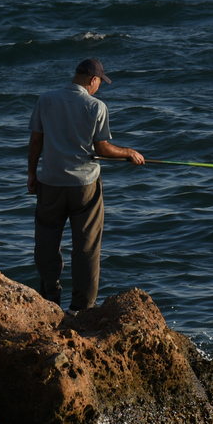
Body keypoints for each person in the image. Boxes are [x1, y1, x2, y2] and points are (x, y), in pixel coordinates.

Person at [27, 58, 144, 315]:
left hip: (50, 182)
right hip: (85, 186)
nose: (99, 87)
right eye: (100, 82)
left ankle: (49, 300)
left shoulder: (46, 99)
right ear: (93, 80)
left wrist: (32, 173)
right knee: (87, 246)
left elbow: (36, 140)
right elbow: (102, 148)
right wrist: (128, 153)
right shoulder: (96, 106)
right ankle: (80, 309)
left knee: (46, 240)